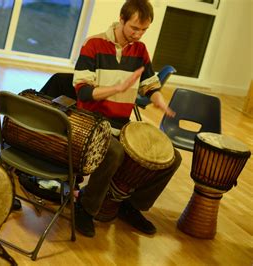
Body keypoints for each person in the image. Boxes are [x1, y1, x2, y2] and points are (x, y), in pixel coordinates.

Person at [72, 0, 182, 237]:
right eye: (134, 28)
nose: (139, 34)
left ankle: (130, 205)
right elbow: (82, 91)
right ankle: (85, 207)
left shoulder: (140, 50)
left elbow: (149, 84)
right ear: (121, 19)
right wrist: (116, 88)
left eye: (144, 30)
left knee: (171, 157)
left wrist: (157, 97)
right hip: (90, 121)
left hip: (120, 123)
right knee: (114, 153)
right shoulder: (93, 45)